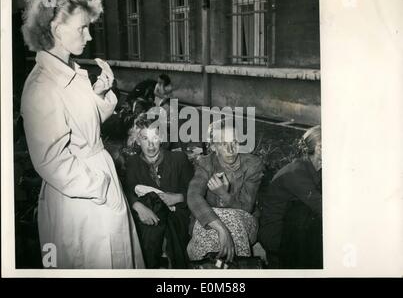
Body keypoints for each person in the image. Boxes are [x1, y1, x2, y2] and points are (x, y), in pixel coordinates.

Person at [20, 0, 144, 268]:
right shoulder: (42, 85)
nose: (89, 36)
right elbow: (51, 160)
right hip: (80, 194)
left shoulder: (71, 71)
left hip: (94, 181)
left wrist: (98, 94)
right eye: (83, 28)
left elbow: (84, 127)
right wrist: (100, 186)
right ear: (57, 29)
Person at [187, 119, 264, 262]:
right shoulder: (205, 163)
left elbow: (247, 208)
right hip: (212, 221)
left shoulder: (252, 165)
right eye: (223, 144)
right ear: (214, 147)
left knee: (233, 223)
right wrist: (222, 229)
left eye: (234, 142)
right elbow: (193, 196)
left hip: (244, 221)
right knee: (208, 236)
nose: (230, 150)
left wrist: (223, 194)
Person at [124, 113, 194, 268]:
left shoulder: (179, 159)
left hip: (175, 217)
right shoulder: (132, 163)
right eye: (144, 139)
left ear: (161, 138)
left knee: (155, 233)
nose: (150, 145)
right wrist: (137, 206)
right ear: (137, 140)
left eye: (155, 138)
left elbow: (197, 192)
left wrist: (179, 198)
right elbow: (126, 191)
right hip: (147, 217)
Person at [258, 125, 322, 269]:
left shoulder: (314, 168)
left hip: (294, 231)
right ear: (319, 149)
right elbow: (321, 207)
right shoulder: (296, 173)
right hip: (277, 236)